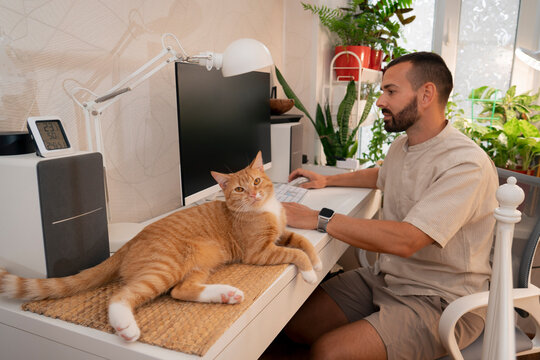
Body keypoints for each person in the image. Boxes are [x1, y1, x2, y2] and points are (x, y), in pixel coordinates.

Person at [280, 52, 499, 359]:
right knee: (293, 324)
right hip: (388, 279)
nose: (380, 101)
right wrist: (327, 181)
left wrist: (320, 218)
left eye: (390, 91)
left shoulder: (465, 164)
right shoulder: (403, 145)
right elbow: (382, 174)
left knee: (329, 352)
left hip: (441, 300)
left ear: (426, 94)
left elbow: (407, 240)